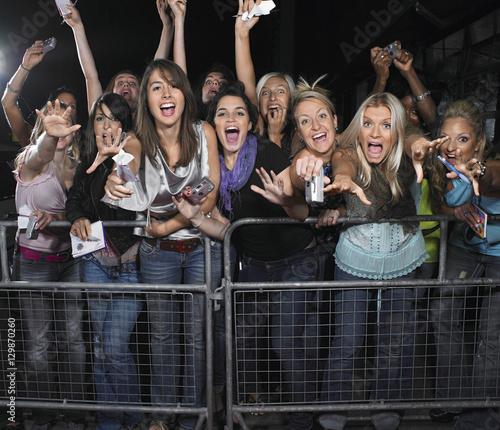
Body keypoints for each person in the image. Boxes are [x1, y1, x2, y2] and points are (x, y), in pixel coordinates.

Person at [173, 80, 326, 430]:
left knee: (286, 342)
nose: (232, 118)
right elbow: (229, 230)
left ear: (248, 123)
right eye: (223, 113)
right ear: (214, 125)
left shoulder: (267, 153)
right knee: (239, 338)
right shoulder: (213, 172)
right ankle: (242, 404)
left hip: (295, 260)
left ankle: (303, 420)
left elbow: (300, 201)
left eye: (239, 112)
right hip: (255, 265)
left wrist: (292, 188)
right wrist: (195, 216)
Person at [310, 92, 441, 430]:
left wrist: (418, 146)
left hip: (403, 259)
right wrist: (342, 178)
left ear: (396, 131)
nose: (376, 132)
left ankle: (387, 409)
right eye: (368, 124)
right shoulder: (349, 152)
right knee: (348, 340)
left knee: (395, 341)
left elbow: (415, 141)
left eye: (386, 125)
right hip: (355, 259)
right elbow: (344, 162)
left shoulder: (406, 154)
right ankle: (332, 414)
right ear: (359, 127)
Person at [102, 59, 221, 430]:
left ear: (184, 95)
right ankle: (163, 416)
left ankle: (193, 417)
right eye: (156, 87)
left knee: (199, 340)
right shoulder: (138, 139)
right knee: (162, 339)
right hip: (158, 258)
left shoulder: (205, 132)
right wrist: (116, 177)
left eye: (172, 85)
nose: (166, 93)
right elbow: (127, 163)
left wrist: (164, 225)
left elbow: (211, 198)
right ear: (148, 101)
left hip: (202, 250)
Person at [65, 93, 144, 430]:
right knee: (100, 349)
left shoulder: (130, 157)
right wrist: (77, 217)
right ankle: (110, 421)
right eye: (100, 118)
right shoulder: (86, 165)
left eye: (113, 118)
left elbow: (131, 178)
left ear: (124, 125)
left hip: (129, 267)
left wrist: (119, 163)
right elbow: (74, 200)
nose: (105, 124)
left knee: (113, 347)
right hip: (94, 263)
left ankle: (133, 416)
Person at [12, 99, 85, 430]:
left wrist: (58, 216)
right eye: (54, 126)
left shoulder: (76, 166)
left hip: (69, 261)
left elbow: (77, 213)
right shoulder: (31, 163)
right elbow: (41, 153)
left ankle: (75, 411)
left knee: (73, 340)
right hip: (34, 264)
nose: (61, 130)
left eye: (65, 124)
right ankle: (41, 413)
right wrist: (48, 138)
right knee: (40, 343)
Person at [428, 100, 500, 430]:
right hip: (463, 248)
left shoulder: (491, 163)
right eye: (446, 138)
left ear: (479, 141)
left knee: (491, 333)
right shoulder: (442, 167)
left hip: (498, 256)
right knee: (442, 315)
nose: (453, 146)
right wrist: (453, 212)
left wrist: (479, 174)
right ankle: (450, 398)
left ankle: (477, 412)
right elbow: (441, 204)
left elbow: (493, 180)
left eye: (462, 138)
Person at [64, 0, 183, 116]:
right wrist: (77, 27)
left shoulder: (150, 123)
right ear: (110, 92)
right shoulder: (100, 118)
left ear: (144, 94)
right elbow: (90, 77)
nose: (126, 85)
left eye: (132, 84)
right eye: (120, 82)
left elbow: (155, 73)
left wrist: (168, 26)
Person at [235, 0, 296, 155]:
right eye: (265, 93)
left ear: (292, 100)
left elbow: (280, 176)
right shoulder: (255, 131)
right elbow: (247, 85)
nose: (272, 98)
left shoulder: (301, 137)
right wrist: (242, 33)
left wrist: (275, 135)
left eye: (280, 91)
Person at [2, 41, 78, 148]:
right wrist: (25, 67)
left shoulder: (88, 148)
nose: (65, 110)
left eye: (71, 106)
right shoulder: (34, 142)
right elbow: (8, 103)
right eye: (59, 105)